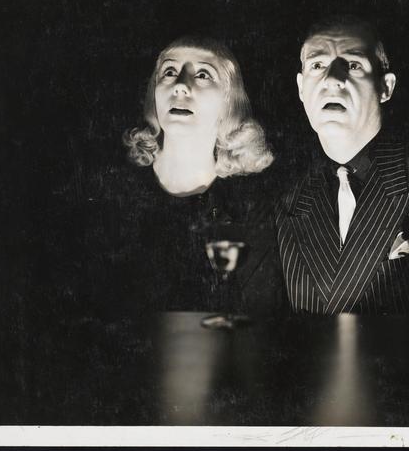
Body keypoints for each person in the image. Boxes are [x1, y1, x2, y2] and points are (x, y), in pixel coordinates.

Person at [85, 36, 285, 318]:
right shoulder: (110, 192)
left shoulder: (255, 209)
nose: (180, 85)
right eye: (169, 71)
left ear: (229, 101)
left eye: (203, 74)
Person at [276, 15, 409, 315]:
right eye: (317, 65)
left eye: (353, 65)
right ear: (301, 88)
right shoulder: (288, 201)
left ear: (385, 87)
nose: (332, 79)